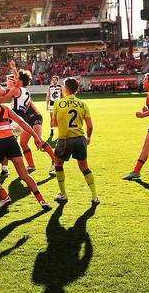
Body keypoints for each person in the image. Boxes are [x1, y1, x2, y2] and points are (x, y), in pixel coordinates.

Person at [0, 87, 52, 211]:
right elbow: (22, 122)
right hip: (12, 141)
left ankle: (4, 196)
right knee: (25, 175)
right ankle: (42, 201)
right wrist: (36, 137)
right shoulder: (4, 108)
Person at [0, 61, 56, 173]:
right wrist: (14, 68)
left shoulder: (16, 91)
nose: (14, 80)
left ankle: (55, 160)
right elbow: (19, 79)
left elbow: (14, 86)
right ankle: (31, 165)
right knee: (23, 143)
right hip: (24, 119)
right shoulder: (22, 90)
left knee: (38, 140)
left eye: (16, 79)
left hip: (34, 117)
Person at [52, 77, 99, 205]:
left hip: (65, 139)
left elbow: (54, 124)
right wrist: (88, 138)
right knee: (84, 167)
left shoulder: (58, 103)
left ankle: (63, 194)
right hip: (80, 139)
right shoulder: (83, 104)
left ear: (66, 89)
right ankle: (95, 196)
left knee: (58, 164)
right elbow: (90, 126)